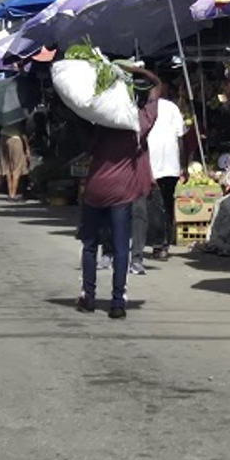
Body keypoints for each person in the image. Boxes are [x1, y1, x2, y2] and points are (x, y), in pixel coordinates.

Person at [77, 68, 160, 320]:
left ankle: (88, 296)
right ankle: (117, 302)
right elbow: (156, 85)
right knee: (122, 247)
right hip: (122, 193)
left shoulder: (100, 123)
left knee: (90, 245)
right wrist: (136, 70)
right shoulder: (138, 124)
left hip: (95, 190)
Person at [135, 77, 188, 265]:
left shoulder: (141, 109)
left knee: (155, 205)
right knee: (164, 204)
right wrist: (183, 166)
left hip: (155, 164)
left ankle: (160, 244)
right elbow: (180, 137)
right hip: (168, 164)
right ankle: (162, 243)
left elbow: (180, 137)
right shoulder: (170, 107)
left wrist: (183, 166)